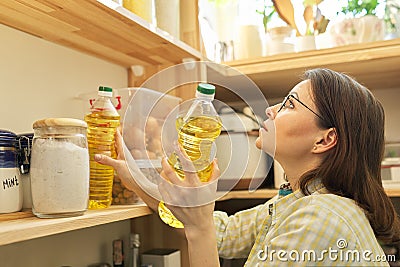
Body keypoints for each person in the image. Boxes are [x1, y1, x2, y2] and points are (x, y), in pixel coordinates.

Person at [95, 68, 400, 266]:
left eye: (290, 104)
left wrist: (199, 228)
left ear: (325, 139)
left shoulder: (320, 218)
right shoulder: (296, 201)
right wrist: (137, 180)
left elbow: (205, 229)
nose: (270, 110)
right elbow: (223, 233)